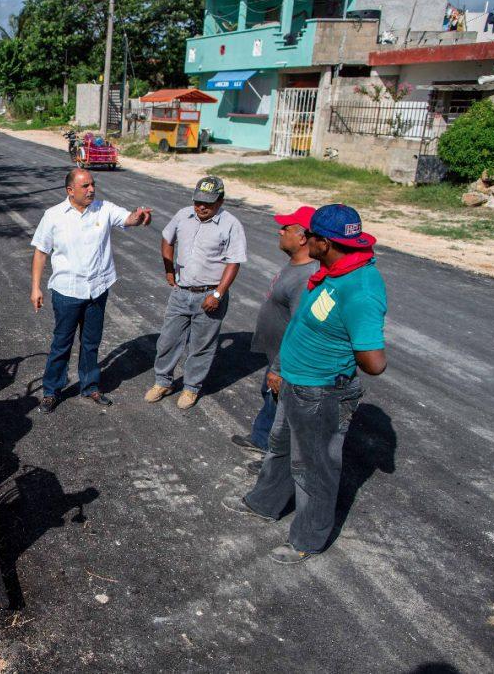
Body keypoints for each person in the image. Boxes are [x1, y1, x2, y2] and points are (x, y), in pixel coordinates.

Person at [222, 204, 387, 564]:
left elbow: (374, 361)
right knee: (280, 448)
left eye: (308, 235)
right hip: (295, 382)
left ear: (324, 243)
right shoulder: (333, 270)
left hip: (323, 391)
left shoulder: (359, 288)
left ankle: (308, 539)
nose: (302, 239)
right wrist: (283, 367)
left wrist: (341, 355)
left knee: (314, 466)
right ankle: (265, 502)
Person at [30, 168, 152, 413]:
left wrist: (138, 217)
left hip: (97, 290)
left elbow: (128, 219)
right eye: (85, 186)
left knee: (91, 342)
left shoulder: (104, 209)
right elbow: (41, 252)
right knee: (61, 343)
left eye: (92, 184)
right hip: (67, 292)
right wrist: (36, 287)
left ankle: (90, 386)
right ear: (70, 190)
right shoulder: (53, 215)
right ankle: (52, 391)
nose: (91, 189)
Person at [145, 176, 247, 409]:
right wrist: (169, 269)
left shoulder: (230, 224)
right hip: (181, 292)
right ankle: (163, 381)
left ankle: (191, 388)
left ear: (220, 201)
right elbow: (166, 238)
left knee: (201, 345)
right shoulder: (183, 215)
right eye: (198, 201)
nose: (201, 207)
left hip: (209, 295)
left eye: (208, 203)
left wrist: (218, 294)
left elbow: (234, 262)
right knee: (168, 340)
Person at [231, 206, 319, 473]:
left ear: (303, 237)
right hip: (275, 354)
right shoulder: (296, 263)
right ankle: (260, 437)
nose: (280, 231)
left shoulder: (307, 277)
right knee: (269, 398)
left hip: (287, 358)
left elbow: (299, 328)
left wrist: (280, 369)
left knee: (284, 411)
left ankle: (273, 462)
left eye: (286, 228)